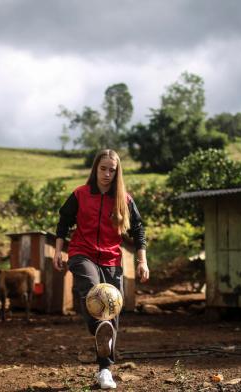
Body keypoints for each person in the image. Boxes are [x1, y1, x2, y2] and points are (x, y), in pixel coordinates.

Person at [53, 149, 149, 390]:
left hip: (111, 258)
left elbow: (138, 230)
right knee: (94, 290)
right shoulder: (80, 194)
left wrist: (142, 261)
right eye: (103, 168)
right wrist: (58, 250)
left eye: (112, 170)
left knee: (113, 307)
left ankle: (105, 369)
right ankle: (100, 328)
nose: (107, 174)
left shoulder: (124, 199)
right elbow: (64, 221)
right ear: (95, 169)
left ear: (117, 172)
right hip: (81, 253)